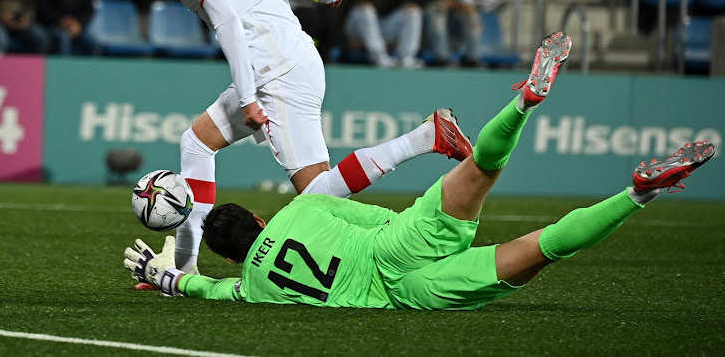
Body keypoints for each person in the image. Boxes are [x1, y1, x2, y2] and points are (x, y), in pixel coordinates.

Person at [125, 32, 717, 310]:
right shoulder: (301, 207)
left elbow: (202, 286)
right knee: (484, 163)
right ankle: (523, 102)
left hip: (407, 294)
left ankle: (637, 194)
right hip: (403, 243)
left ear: (232, 257)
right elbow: (341, 196)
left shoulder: (250, 289)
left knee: (545, 247)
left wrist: (165, 276)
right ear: (257, 215)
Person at [105, 0, 473, 286]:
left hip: (273, 74)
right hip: (287, 59)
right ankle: (185, 266)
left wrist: (248, 99)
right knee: (197, 142)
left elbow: (227, 21)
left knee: (316, 197)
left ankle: (426, 137)